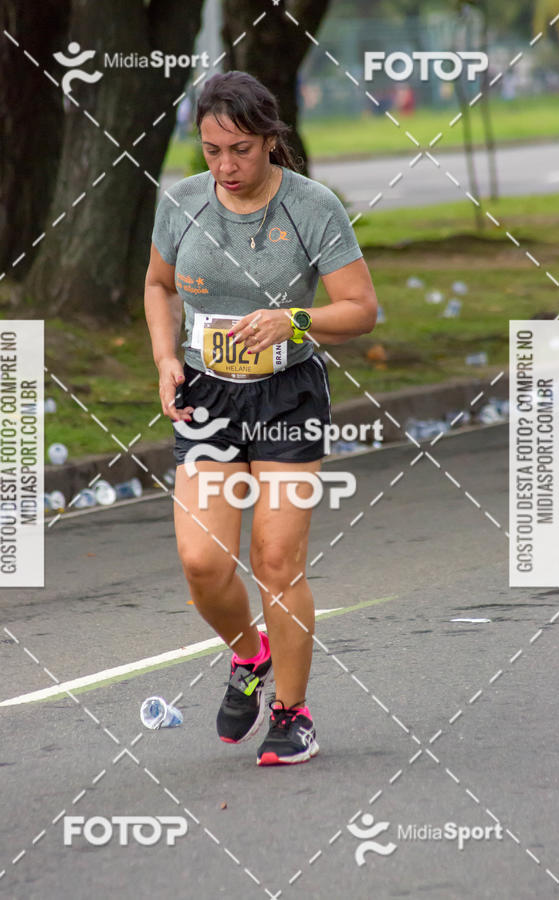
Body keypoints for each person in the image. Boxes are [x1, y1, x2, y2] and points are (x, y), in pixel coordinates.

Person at [144, 71, 377, 766]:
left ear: (270, 140)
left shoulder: (311, 206)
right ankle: (251, 653)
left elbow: (361, 310)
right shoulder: (183, 203)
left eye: (240, 149)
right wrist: (166, 358)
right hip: (208, 399)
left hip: (285, 396)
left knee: (275, 561)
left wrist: (294, 319)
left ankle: (292, 713)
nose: (226, 166)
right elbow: (158, 286)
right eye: (212, 150)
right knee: (201, 563)